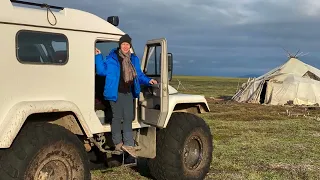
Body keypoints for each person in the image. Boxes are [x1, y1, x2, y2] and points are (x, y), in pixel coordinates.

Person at [95, 34, 157, 158]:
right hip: (115, 92)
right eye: (123, 44)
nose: (125, 46)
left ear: (130, 46)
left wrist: (148, 80)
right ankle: (118, 143)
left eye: (127, 44)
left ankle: (128, 144)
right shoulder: (112, 58)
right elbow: (101, 71)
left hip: (129, 92)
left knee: (128, 117)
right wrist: (98, 56)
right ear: (120, 45)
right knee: (117, 117)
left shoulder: (134, 59)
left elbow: (138, 75)